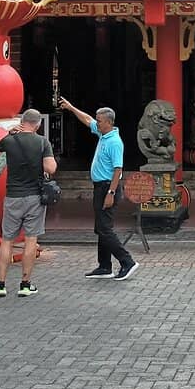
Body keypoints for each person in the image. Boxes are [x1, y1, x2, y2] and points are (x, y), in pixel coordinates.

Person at [57, 97, 140, 281]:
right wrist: (71, 108)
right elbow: (87, 120)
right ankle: (104, 266)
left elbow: (118, 170)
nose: (97, 123)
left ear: (109, 122)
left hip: (107, 188)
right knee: (101, 228)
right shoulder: (103, 134)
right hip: (99, 187)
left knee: (105, 229)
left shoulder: (114, 142)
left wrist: (111, 193)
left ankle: (127, 261)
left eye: (100, 121)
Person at [0, 108, 56, 298]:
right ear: (38, 124)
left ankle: (0, 284)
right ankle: (25, 284)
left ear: (22, 121)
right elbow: (51, 168)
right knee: (30, 240)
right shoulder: (42, 142)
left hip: (13, 196)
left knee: (7, 240)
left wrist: (11, 132)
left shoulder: (9, 141)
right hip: (34, 197)